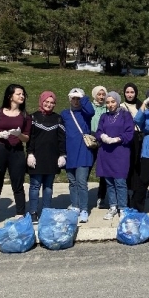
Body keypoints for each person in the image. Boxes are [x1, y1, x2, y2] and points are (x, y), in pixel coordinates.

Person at [0, 84, 32, 229]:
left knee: (18, 184)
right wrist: (0, 134)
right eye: (18, 93)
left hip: (17, 151)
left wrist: (19, 135)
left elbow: (27, 138)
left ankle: (20, 214)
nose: (22, 96)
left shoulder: (25, 116)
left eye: (23, 94)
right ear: (10, 96)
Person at [26, 91, 66, 223]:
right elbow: (30, 138)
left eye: (52, 102)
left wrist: (62, 155)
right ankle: (33, 212)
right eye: (46, 102)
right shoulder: (33, 117)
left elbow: (61, 139)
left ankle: (46, 212)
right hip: (37, 157)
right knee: (35, 186)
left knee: (48, 187)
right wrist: (30, 153)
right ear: (41, 101)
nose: (49, 104)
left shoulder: (58, 119)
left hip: (52, 158)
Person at [96, 91, 135, 220]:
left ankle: (123, 208)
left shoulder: (125, 115)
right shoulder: (104, 116)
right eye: (107, 102)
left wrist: (117, 139)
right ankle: (113, 206)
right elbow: (99, 130)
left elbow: (129, 133)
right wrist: (103, 136)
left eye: (112, 102)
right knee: (109, 182)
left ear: (117, 102)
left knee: (120, 181)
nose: (110, 104)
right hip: (106, 153)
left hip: (120, 152)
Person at [61, 88, 95, 220]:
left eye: (78, 99)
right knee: (72, 182)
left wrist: (84, 97)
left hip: (83, 152)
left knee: (81, 182)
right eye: (73, 98)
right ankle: (75, 205)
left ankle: (84, 209)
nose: (76, 101)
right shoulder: (64, 114)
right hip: (70, 153)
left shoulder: (85, 113)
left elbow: (91, 111)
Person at [121, 83, 143, 203]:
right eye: (127, 92)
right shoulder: (121, 106)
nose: (129, 95)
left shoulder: (141, 105)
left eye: (132, 92)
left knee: (137, 166)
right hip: (127, 138)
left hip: (139, 138)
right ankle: (127, 192)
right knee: (127, 165)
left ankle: (136, 192)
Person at [90, 86, 109, 209]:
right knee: (86, 168)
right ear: (94, 95)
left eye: (103, 94)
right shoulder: (90, 107)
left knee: (103, 170)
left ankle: (101, 197)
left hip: (103, 140)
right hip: (91, 140)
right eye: (99, 94)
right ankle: (81, 196)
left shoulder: (108, 107)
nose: (101, 97)